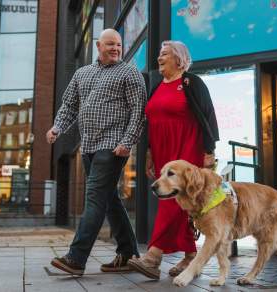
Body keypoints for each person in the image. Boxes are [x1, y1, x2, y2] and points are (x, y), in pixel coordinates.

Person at [47, 29, 147, 276]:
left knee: (94, 198)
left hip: (113, 146)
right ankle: (128, 253)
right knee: (109, 200)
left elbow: (139, 112)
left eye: (119, 45)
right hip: (89, 146)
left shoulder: (129, 73)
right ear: (98, 45)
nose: (115, 48)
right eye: (110, 44)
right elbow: (69, 105)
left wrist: (128, 141)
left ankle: (76, 258)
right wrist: (57, 127)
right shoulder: (83, 73)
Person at [128, 41, 219, 279]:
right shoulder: (157, 86)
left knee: (171, 200)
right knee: (180, 204)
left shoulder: (191, 82)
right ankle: (190, 255)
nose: (159, 58)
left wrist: (209, 151)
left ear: (178, 59)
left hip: (188, 149)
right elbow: (150, 121)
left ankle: (153, 257)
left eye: (165, 54)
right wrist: (148, 153)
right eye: (159, 54)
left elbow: (208, 116)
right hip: (162, 152)